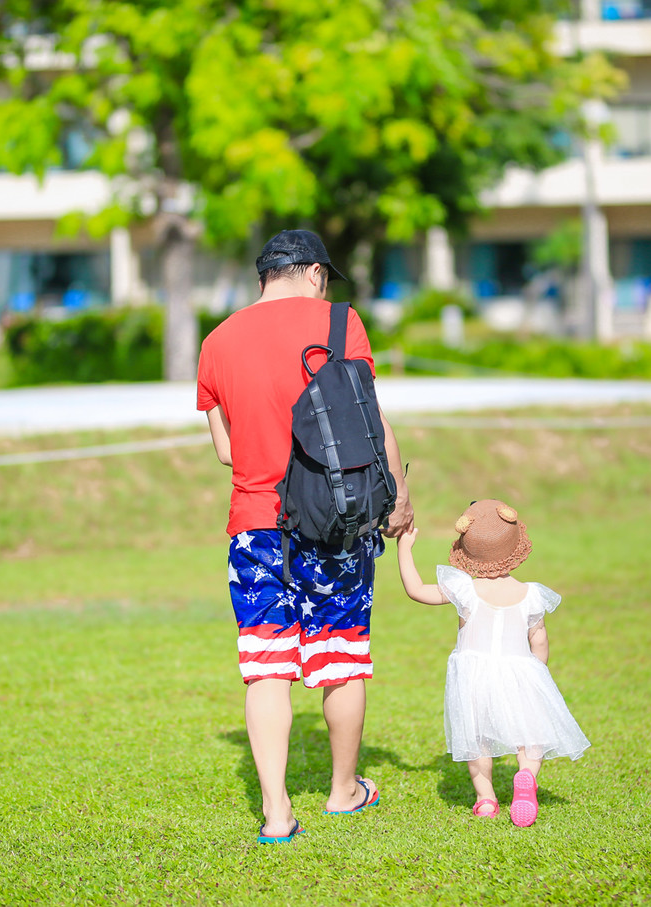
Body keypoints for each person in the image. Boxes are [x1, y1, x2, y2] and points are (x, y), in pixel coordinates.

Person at [196, 229, 414, 844]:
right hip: (333, 519)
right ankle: (344, 792)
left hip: (256, 525)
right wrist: (399, 494)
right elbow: (369, 420)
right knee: (340, 655)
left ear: (264, 276)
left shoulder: (216, 342)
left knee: (265, 666)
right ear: (316, 273)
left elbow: (226, 451)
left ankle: (276, 814)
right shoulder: (342, 324)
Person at [395, 499, 589, 827]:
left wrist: (405, 548)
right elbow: (539, 641)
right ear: (515, 547)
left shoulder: (464, 590)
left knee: (477, 740)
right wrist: (537, 671)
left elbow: (416, 590)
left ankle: (485, 799)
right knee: (530, 736)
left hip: (474, 676)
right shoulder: (531, 594)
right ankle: (526, 775)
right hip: (520, 671)